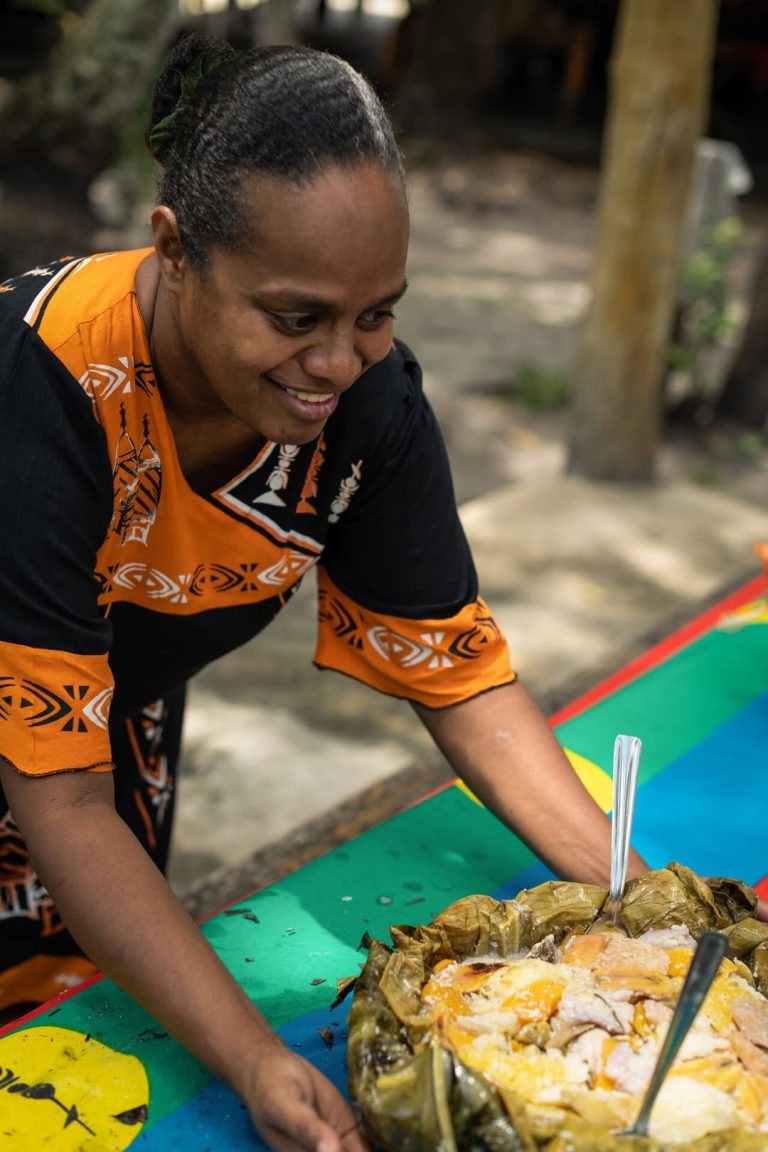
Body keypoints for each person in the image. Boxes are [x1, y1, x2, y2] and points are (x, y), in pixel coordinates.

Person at [0, 30, 657, 1152]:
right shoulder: (39, 391)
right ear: (173, 250)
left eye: (377, 314)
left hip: (91, 755)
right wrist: (254, 1053)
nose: (338, 363)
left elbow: (457, 678)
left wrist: (642, 898)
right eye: (295, 318)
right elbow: (56, 805)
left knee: (56, 1061)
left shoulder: (364, 408)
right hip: (60, 782)